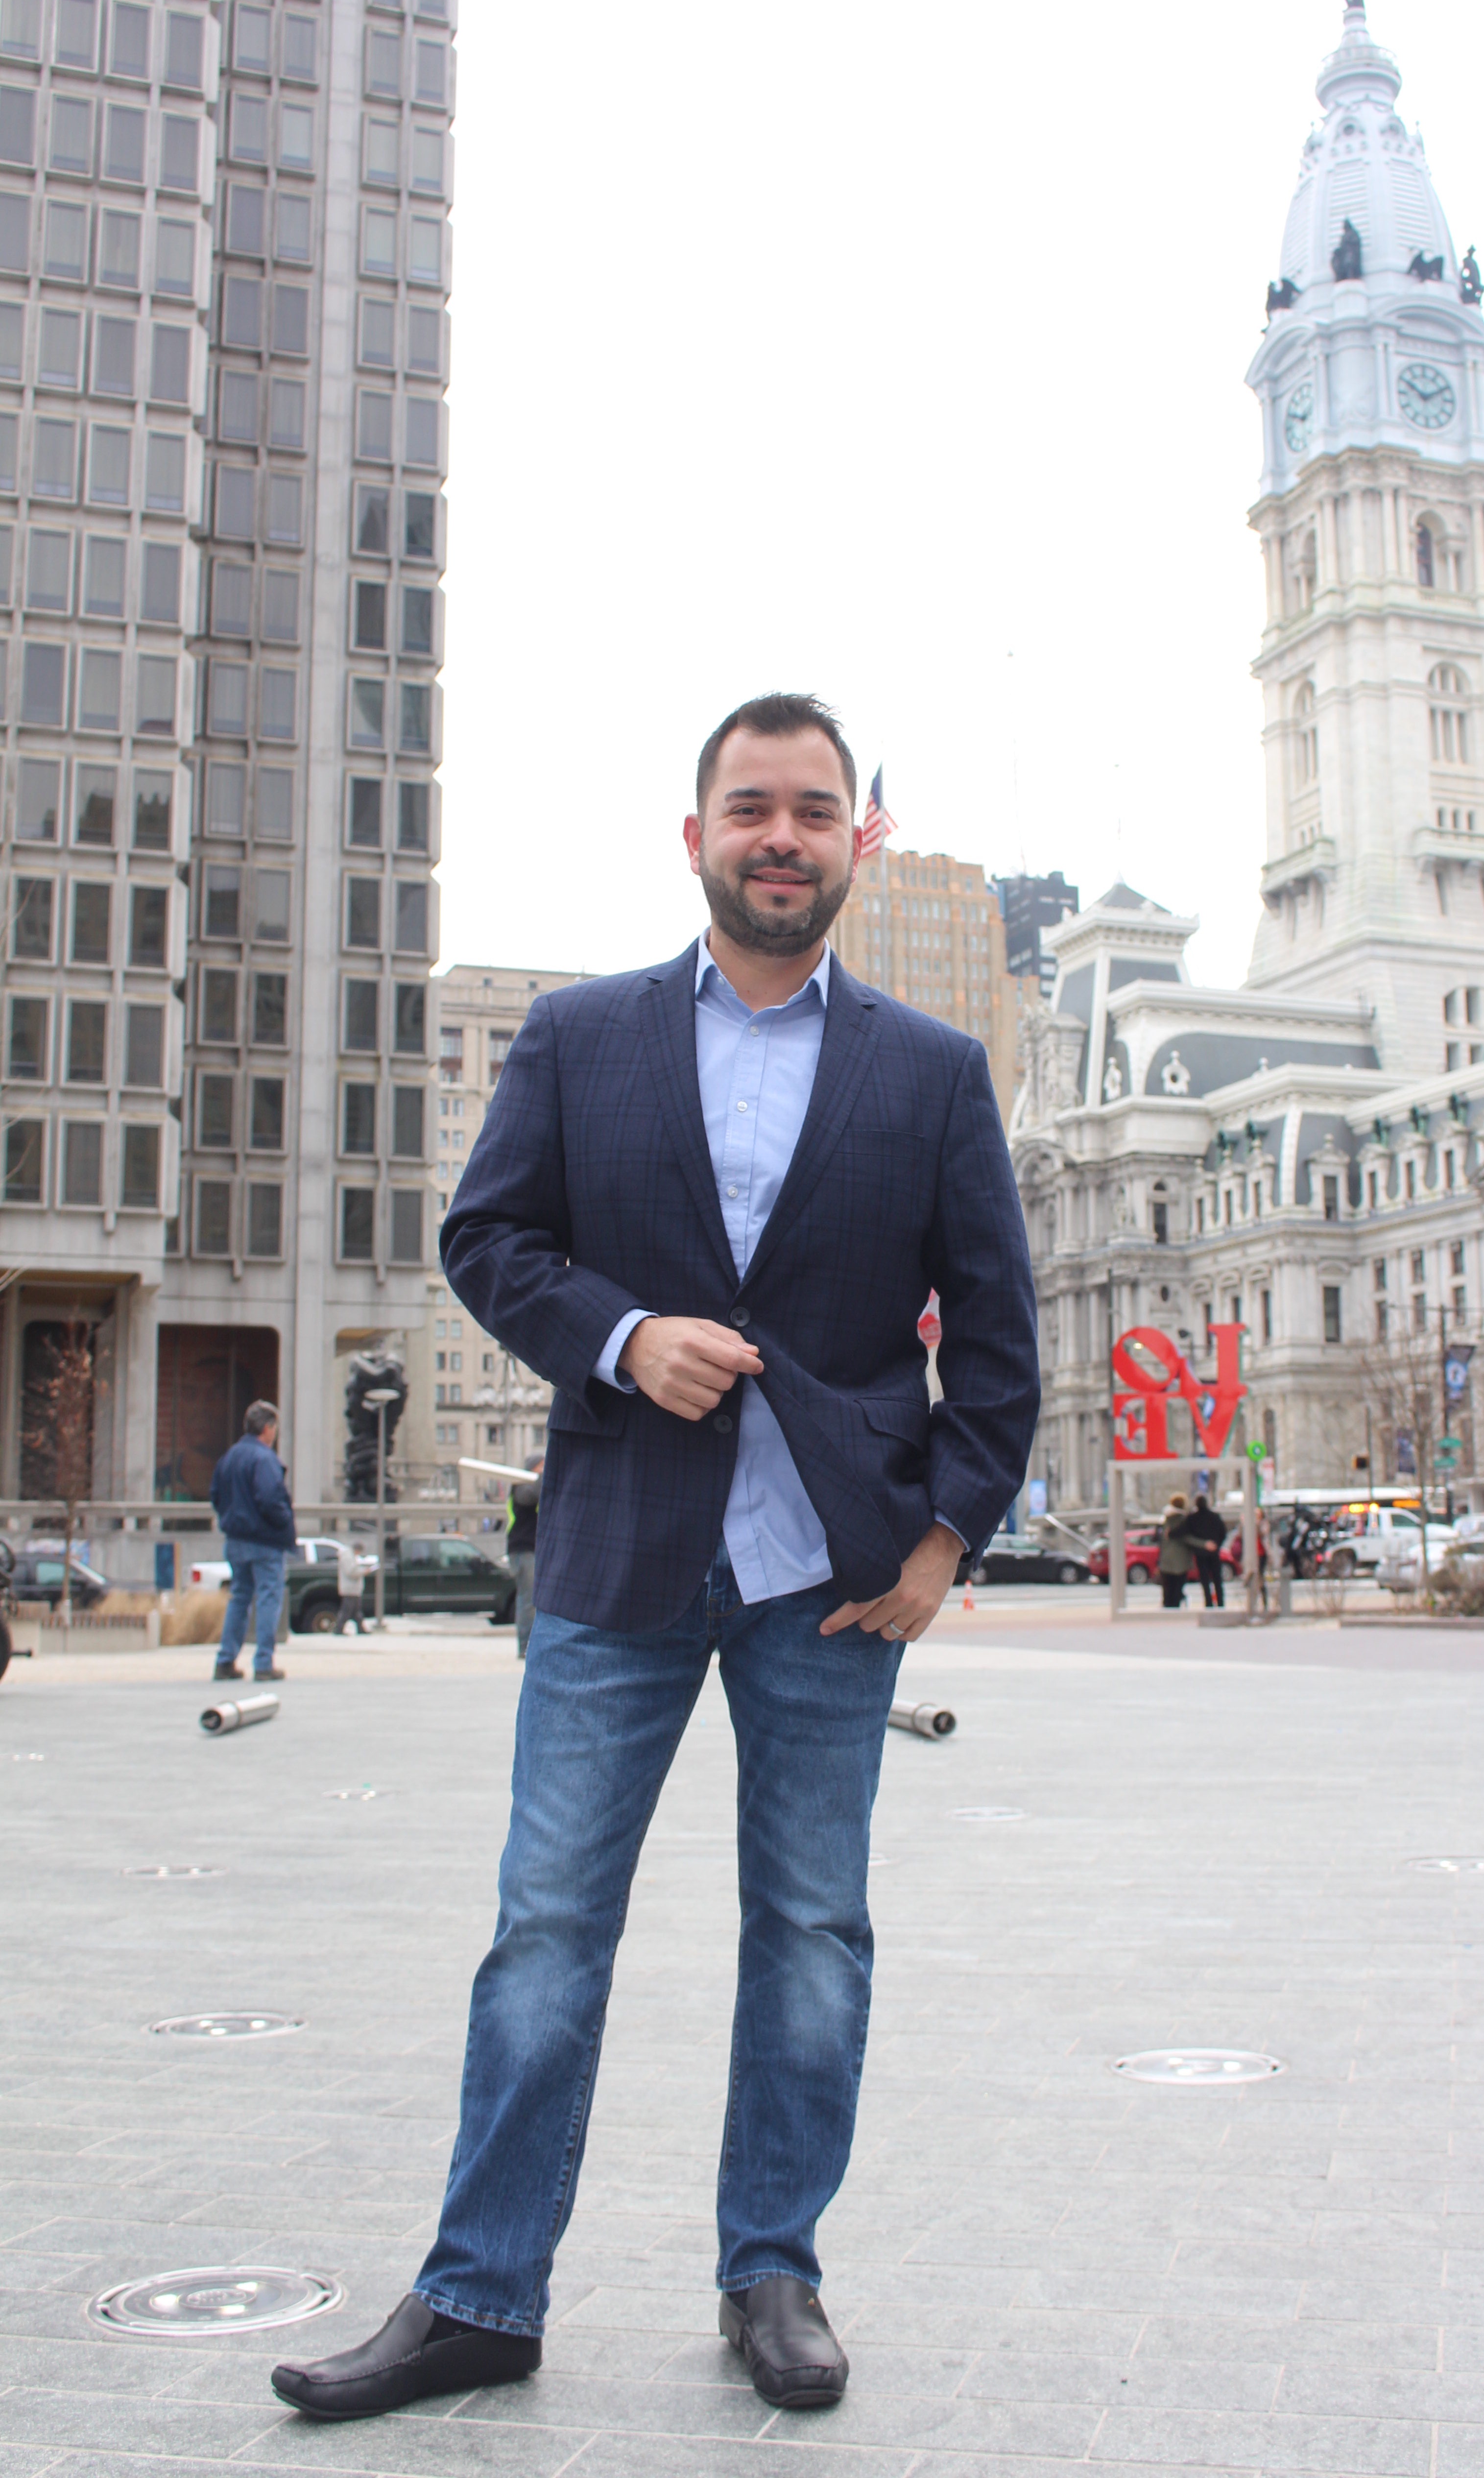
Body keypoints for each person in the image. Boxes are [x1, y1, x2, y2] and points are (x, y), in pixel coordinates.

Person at [272, 692, 1040, 2426]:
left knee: (811, 1930)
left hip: (832, 1577)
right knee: (544, 1927)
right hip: (621, 1552)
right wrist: (621, 1339)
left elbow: (996, 1336)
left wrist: (941, 1540)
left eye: (815, 809)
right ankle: (480, 2291)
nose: (782, 834)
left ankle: (773, 2268)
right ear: (692, 834)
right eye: (750, 805)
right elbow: (489, 1240)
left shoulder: (928, 1072)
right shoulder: (578, 1036)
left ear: (861, 838)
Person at [209, 1400, 295, 1683]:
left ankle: (226, 1660)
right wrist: (284, 1522)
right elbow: (271, 1498)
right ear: (268, 1429)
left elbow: (216, 1495)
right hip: (265, 1540)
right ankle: (264, 1663)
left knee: (240, 1597)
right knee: (269, 1598)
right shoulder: (264, 1459)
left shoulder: (230, 1457)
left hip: (236, 1539)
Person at [506, 1458, 541, 1657]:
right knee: (528, 1600)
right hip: (523, 1549)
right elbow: (532, 1495)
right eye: (542, 1466)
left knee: (533, 1601)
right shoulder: (522, 1486)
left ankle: (531, 1644)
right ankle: (525, 1646)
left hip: (533, 1549)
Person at [1185, 1492, 1227, 1608]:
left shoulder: (1192, 1519)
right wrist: (1217, 1545)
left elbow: (1189, 1536)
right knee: (1218, 1580)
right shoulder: (1215, 1517)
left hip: (1200, 1554)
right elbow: (1223, 1534)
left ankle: (1209, 1603)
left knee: (1205, 1580)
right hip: (1214, 1553)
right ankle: (1221, 1603)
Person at [1157, 1491, 1193, 1608]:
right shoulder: (1185, 1520)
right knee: (1178, 1589)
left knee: (1168, 1591)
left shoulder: (1165, 1520)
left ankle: (1167, 1611)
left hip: (1166, 1560)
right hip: (1181, 1560)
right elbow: (1189, 1538)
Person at [333, 1540, 366, 1637]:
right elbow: (351, 1572)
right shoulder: (348, 1557)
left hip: (353, 1590)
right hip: (350, 1589)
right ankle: (339, 1629)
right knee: (347, 1611)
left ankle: (361, 1629)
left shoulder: (350, 1556)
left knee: (356, 1611)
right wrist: (364, 1572)